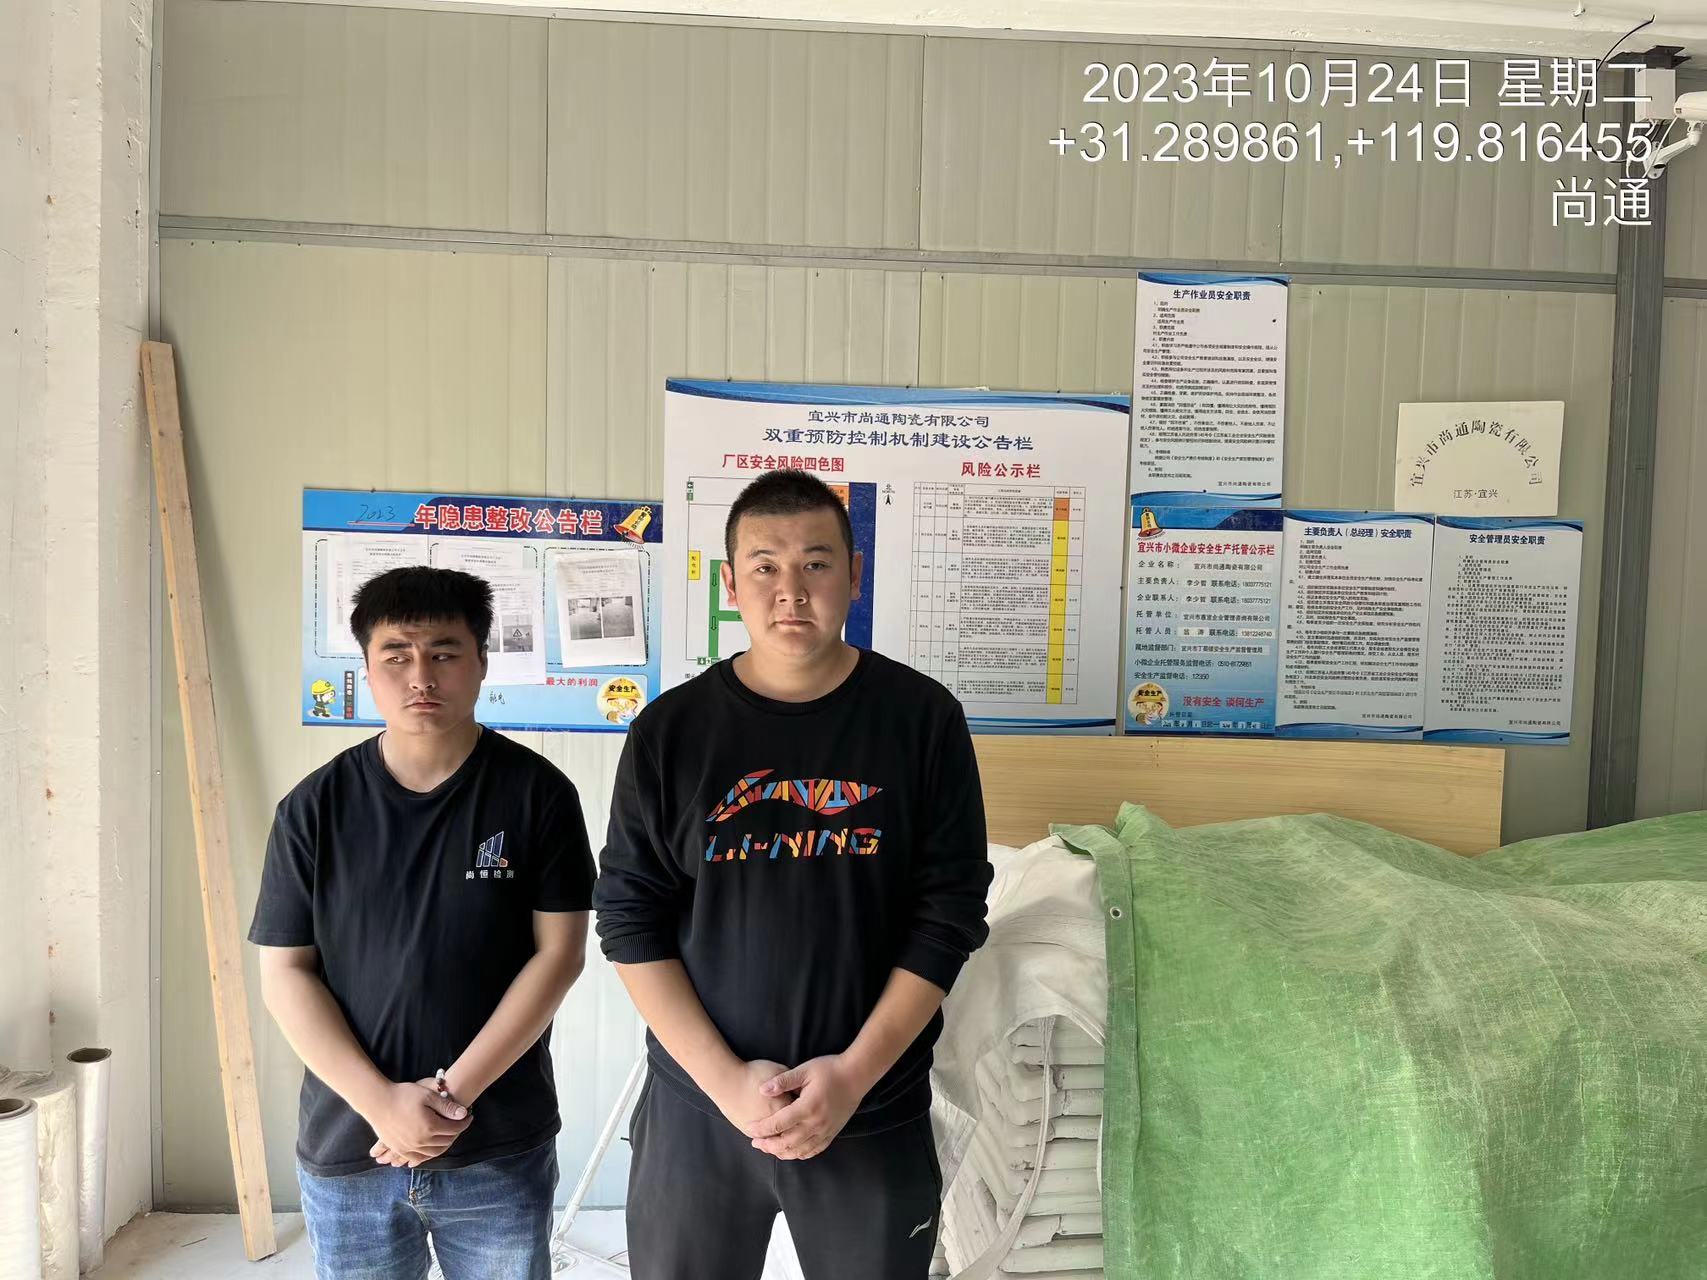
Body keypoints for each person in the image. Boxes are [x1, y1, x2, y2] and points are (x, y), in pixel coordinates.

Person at [594, 469, 992, 1279]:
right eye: (765, 566)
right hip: (700, 1112)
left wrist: (851, 1077)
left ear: (853, 574)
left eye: (815, 562)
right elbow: (630, 921)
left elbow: (948, 913)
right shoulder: (670, 733)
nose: (791, 590)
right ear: (730, 584)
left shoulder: (922, 719)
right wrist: (724, 1083)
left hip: (870, 1104)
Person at [250, 566, 595, 1280]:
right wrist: (383, 1106)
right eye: (396, 656)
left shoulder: (538, 795)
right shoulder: (314, 809)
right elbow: (285, 973)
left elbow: (559, 956)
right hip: (352, 1144)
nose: (421, 677)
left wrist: (449, 1100)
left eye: (444, 652)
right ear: (366, 668)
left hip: (496, 1144)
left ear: (481, 662)